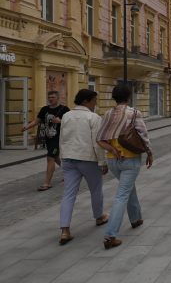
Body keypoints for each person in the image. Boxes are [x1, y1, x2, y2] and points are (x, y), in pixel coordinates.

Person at [97, 84, 153, 250]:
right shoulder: (134, 113)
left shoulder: (107, 114)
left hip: (112, 160)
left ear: (114, 97)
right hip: (130, 159)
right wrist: (149, 153)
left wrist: (113, 149)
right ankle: (110, 235)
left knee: (128, 188)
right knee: (122, 194)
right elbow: (143, 134)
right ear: (129, 97)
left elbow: (100, 139)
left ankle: (136, 218)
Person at [58, 89, 108, 245]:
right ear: (87, 101)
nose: (95, 104)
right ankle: (99, 217)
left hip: (68, 158)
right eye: (94, 100)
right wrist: (102, 162)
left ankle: (65, 230)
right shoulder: (93, 117)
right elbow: (97, 142)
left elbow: (62, 138)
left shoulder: (66, 116)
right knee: (96, 189)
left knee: (68, 194)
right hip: (87, 159)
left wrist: (62, 157)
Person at [22, 91, 70, 191]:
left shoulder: (64, 109)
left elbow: (72, 123)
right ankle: (69, 172)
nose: (50, 99)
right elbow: (37, 120)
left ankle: (46, 183)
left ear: (57, 98)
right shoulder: (45, 109)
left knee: (50, 158)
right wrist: (27, 127)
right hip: (48, 138)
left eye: (53, 97)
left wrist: (60, 121)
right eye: (49, 97)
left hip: (59, 138)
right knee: (56, 157)